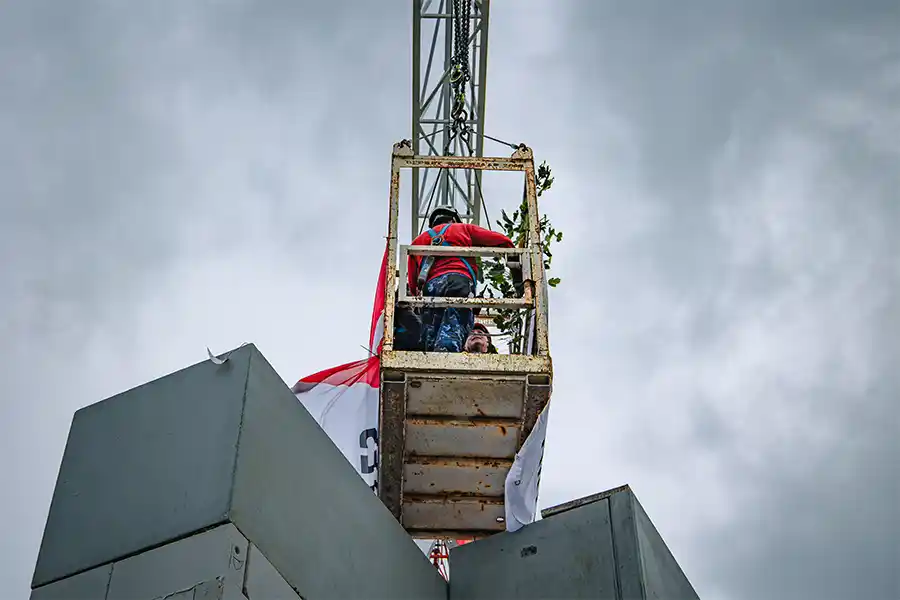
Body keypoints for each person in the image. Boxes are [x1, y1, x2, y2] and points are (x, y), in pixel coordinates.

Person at [408, 206, 514, 352]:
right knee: (455, 321)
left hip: (431, 287)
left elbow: (414, 284)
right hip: (458, 281)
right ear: (454, 219)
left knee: (432, 328)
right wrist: (516, 267)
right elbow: (502, 241)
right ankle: (447, 358)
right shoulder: (463, 229)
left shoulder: (419, 241)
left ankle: (432, 361)